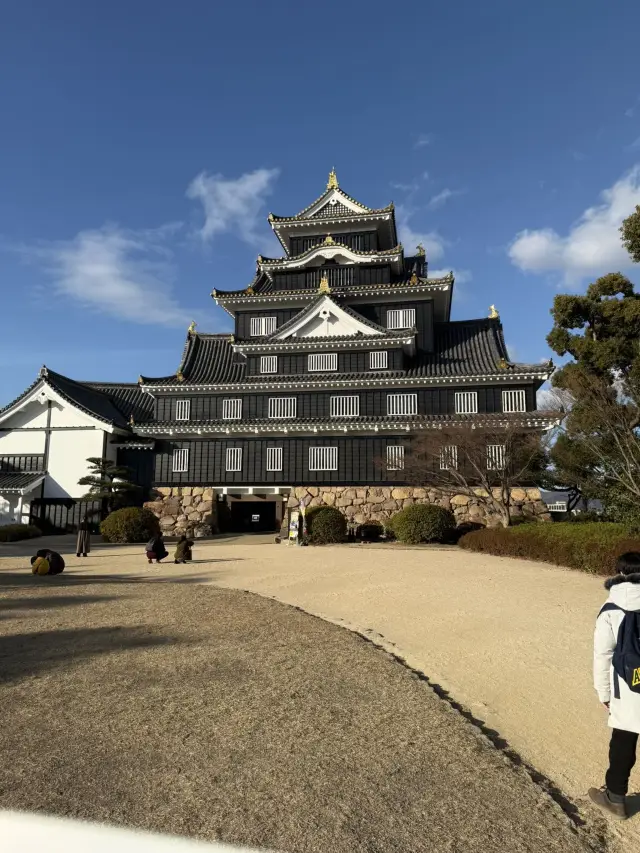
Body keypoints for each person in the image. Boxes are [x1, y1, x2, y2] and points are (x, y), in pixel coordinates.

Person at [590, 551, 640, 819]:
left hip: (626, 686)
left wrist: (604, 691)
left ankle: (616, 798)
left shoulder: (610, 607)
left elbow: (603, 653)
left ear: (619, 574)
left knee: (624, 740)